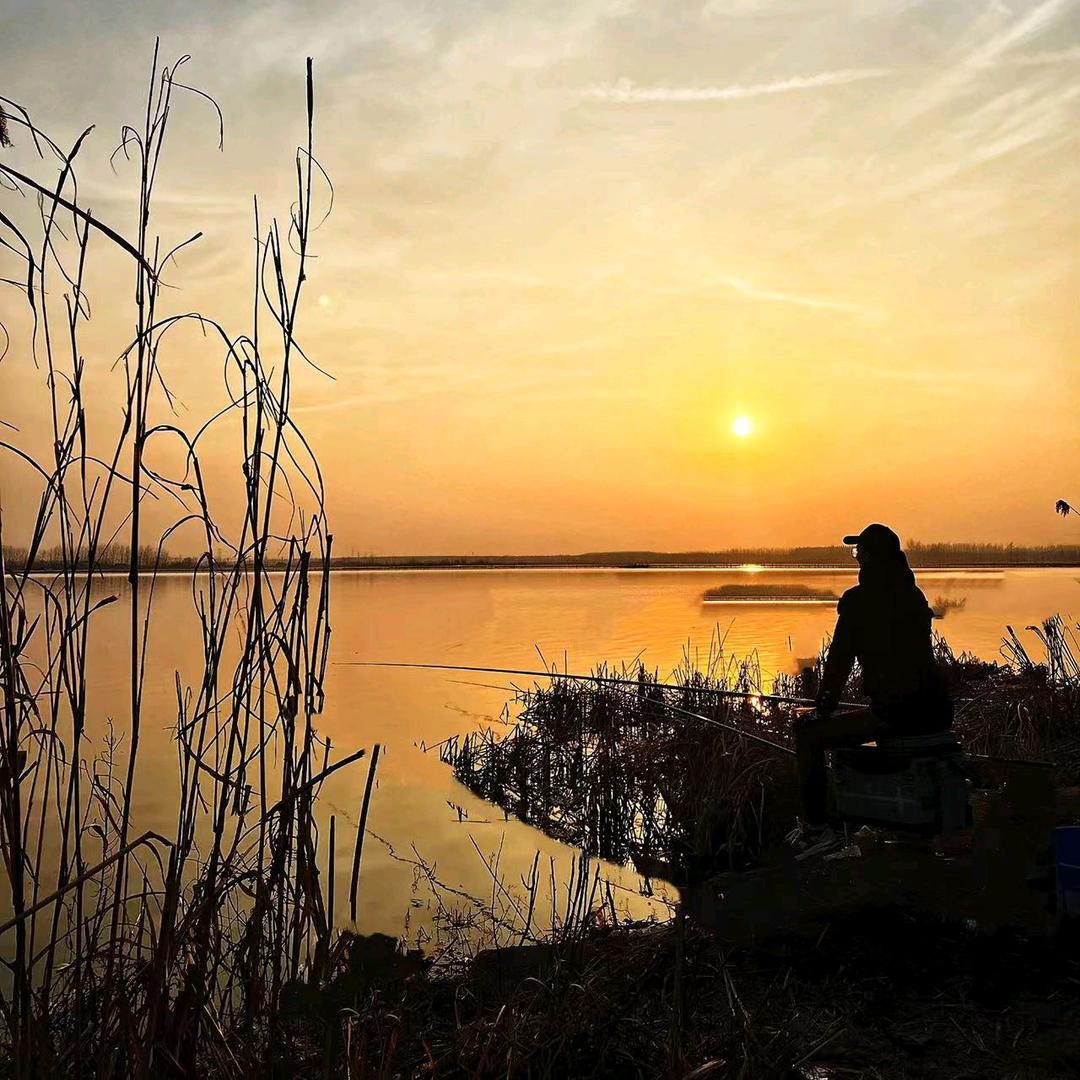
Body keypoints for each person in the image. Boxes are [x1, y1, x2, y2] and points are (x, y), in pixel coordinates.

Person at [788, 523, 953, 856]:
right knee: (855, 721)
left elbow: (838, 663)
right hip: (937, 712)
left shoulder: (858, 601)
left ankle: (818, 830)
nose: (856, 557)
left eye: (859, 551)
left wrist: (821, 709)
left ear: (871, 558)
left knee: (808, 736)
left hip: (898, 716)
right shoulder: (913, 595)